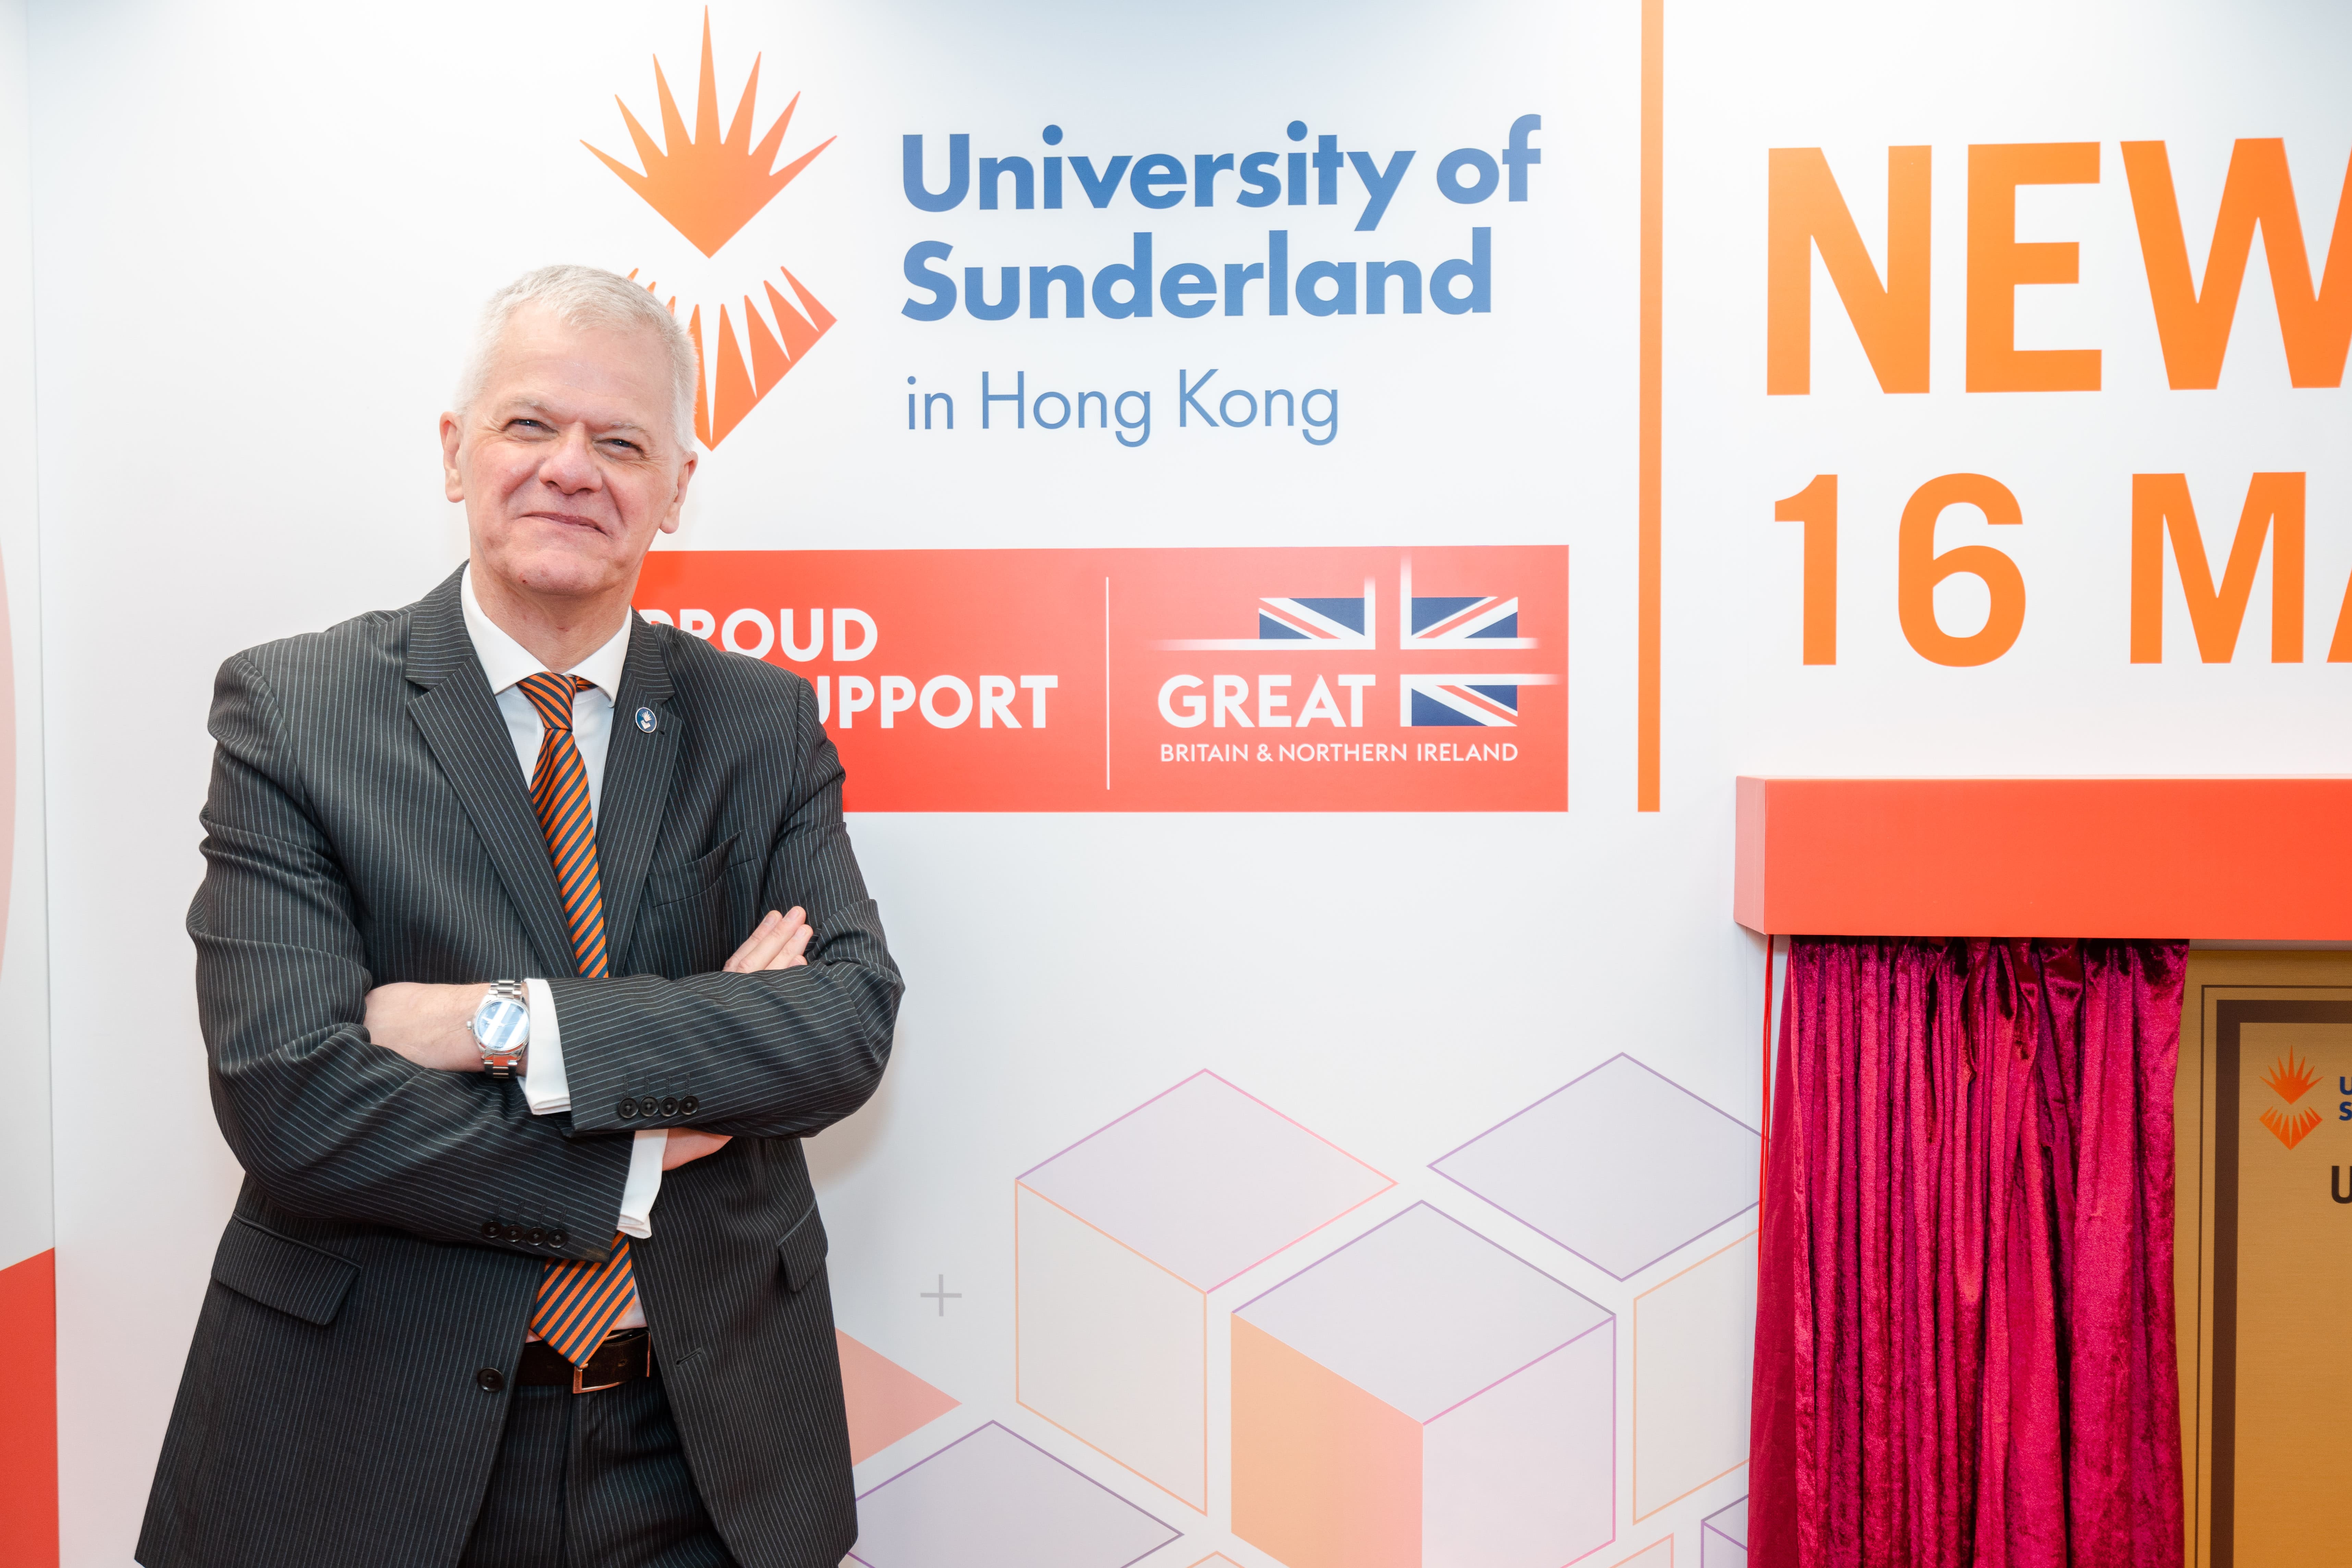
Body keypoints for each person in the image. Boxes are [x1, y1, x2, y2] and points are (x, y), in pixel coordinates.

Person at [137, 264, 901, 1568]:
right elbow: (292, 1096)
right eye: (530, 425)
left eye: (622, 442)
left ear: (676, 487)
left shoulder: (757, 721)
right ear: (456, 453)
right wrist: (648, 1150)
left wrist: (505, 1022)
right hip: (364, 1439)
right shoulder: (295, 709)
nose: (572, 469)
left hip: (703, 1447)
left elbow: (840, 1026)